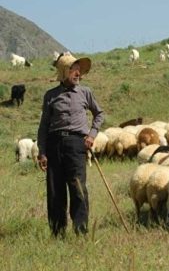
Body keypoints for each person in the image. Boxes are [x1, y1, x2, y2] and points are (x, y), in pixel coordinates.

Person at [37, 52, 104, 237]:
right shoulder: (50, 96)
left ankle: (81, 231)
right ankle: (57, 233)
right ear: (64, 72)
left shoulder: (85, 92)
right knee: (55, 190)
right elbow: (43, 126)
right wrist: (42, 151)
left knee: (78, 187)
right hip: (54, 144)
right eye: (74, 70)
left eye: (79, 70)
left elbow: (99, 114)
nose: (78, 74)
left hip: (76, 144)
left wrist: (91, 135)